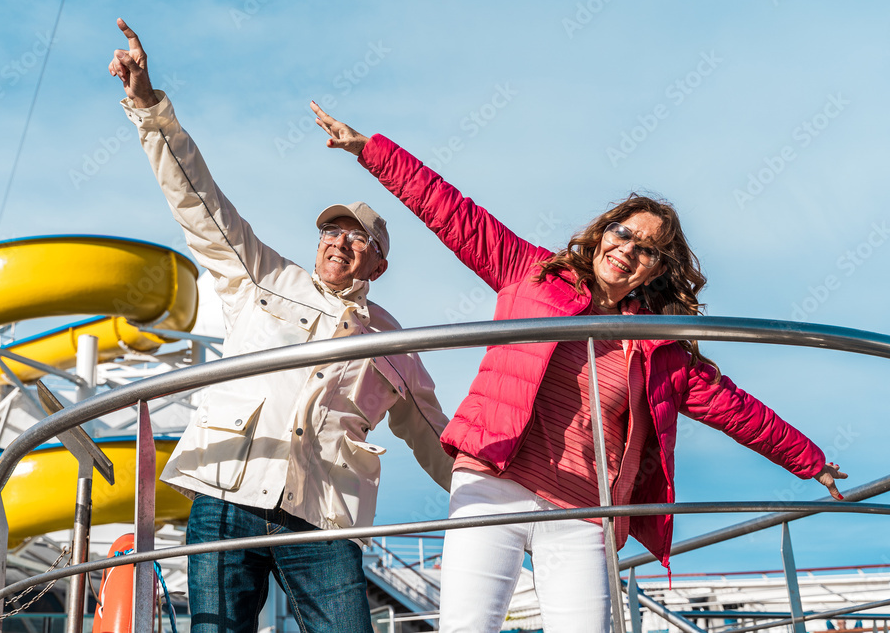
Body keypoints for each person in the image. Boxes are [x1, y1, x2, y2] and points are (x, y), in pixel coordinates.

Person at [311, 102, 849, 632]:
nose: (629, 251)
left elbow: (738, 410)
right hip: (493, 477)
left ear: (657, 271)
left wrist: (811, 461)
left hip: (584, 509)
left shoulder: (660, 349)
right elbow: (450, 209)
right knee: (467, 626)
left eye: (649, 250)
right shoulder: (529, 272)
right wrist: (370, 151)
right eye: (624, 234)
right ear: (602, 232)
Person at [109, 20, 454, 633]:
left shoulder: (395, 344)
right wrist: (148, 107)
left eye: (358, 236)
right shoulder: (262, 276)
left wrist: (517, 513)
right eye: (331, 231)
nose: (340, 242)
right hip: (226, 492)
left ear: (379, 260)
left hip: (321, 514)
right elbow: (198, 200)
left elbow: (439, 442)